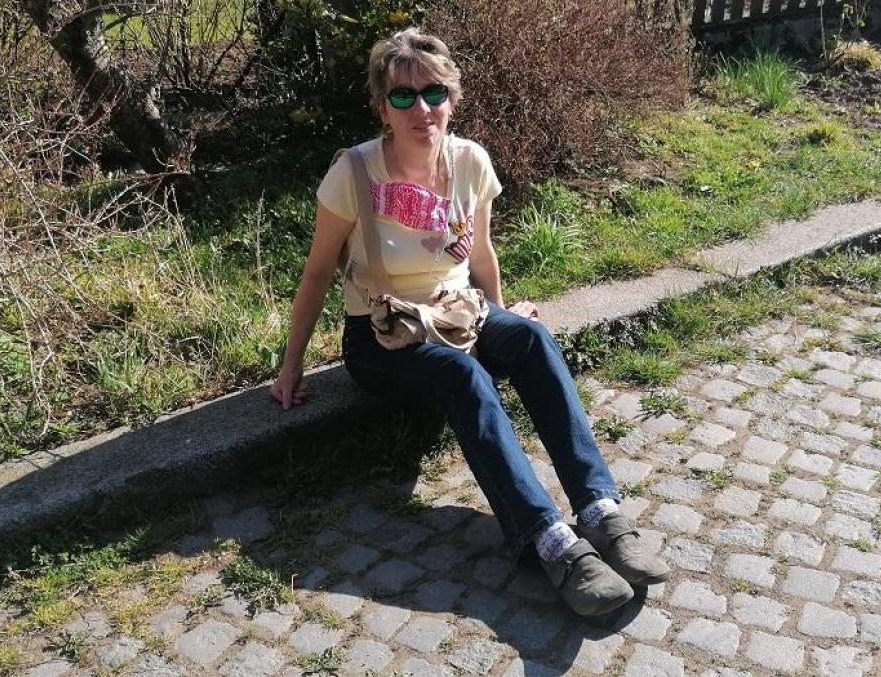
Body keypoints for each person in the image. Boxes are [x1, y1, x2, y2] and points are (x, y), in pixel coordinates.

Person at [270, 27, 668, 616]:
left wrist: (501, 316)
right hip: (382, 334)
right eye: (403, 96)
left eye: (433, 93)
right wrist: (292, 365)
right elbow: (317, 272)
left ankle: (600, 509)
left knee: (530, 337)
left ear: (451, 100)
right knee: (462, 375)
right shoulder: (353, 174)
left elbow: (480, 256)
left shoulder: (469, 162)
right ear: (382, 107)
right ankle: (550, 542)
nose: (421, 109)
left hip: (460, 314)